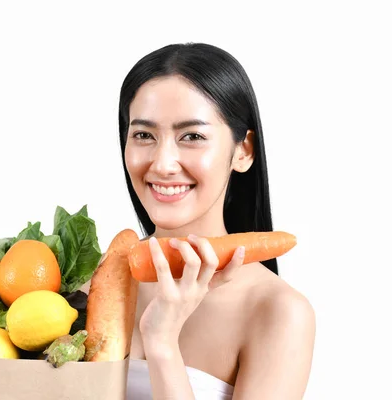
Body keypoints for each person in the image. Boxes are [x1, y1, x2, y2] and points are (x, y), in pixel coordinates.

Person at [118, 42, 316, 399]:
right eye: (144, 135)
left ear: (243, 151)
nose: (163, 163)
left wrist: (162, 343)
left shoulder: (277, 312)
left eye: (192, 136)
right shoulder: (87, 287)